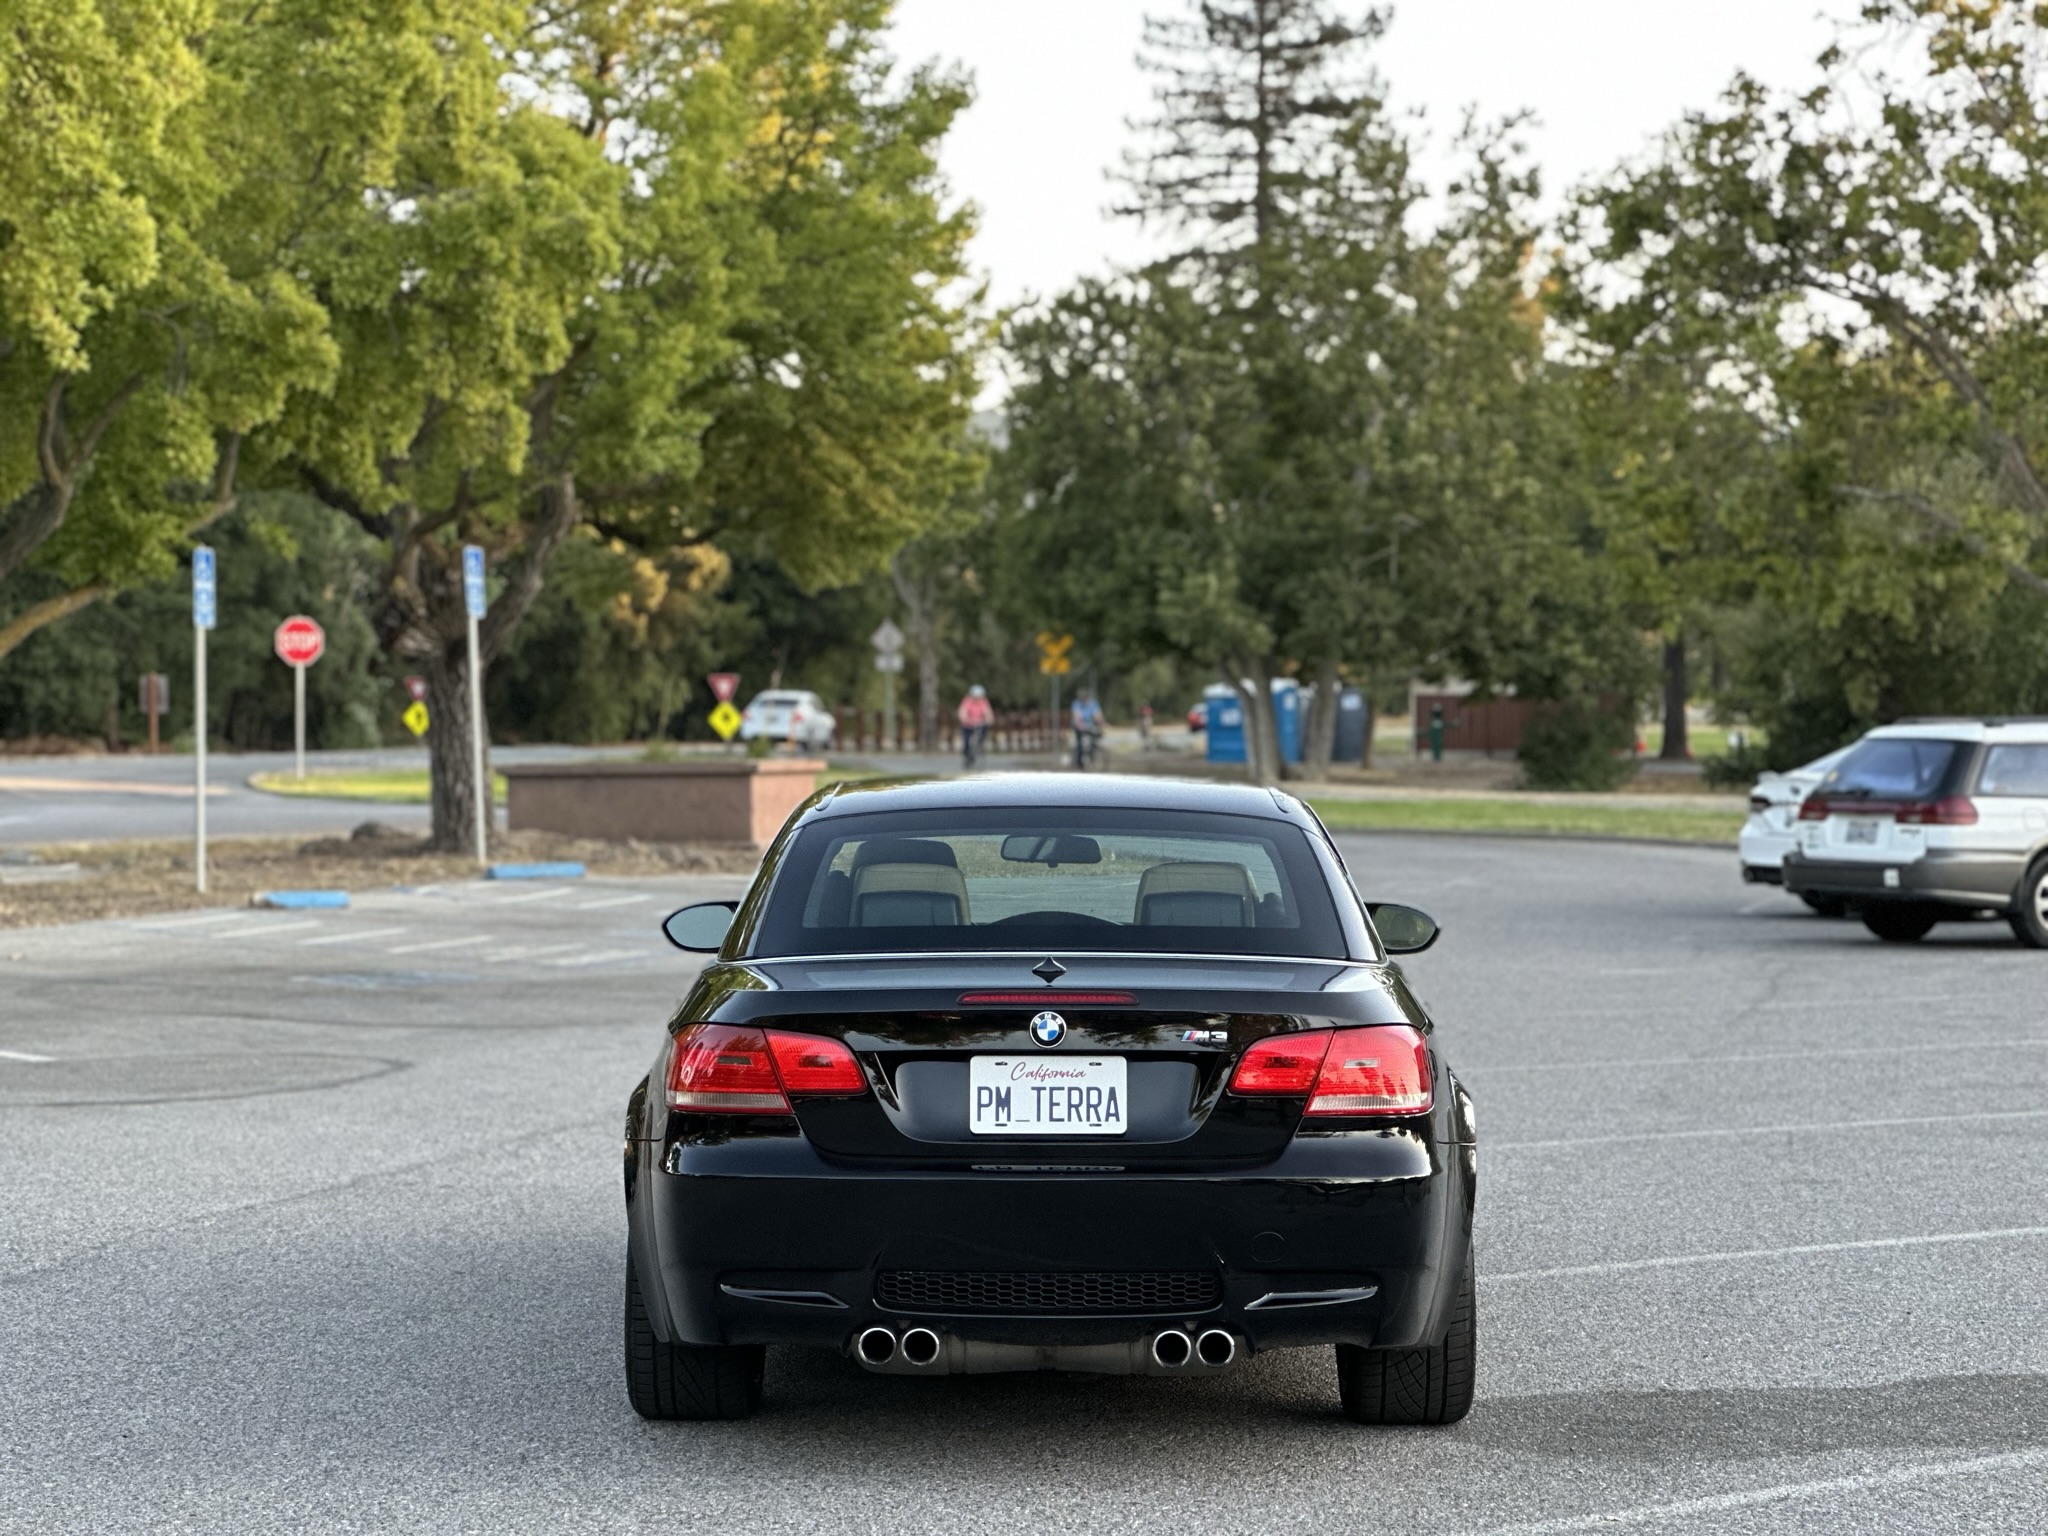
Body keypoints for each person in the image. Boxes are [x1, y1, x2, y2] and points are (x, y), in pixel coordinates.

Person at [958, 684, 993, 769]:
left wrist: (988, 720)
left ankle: (979, 749)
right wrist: (965, 719)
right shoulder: (967, 702)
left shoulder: (984, 702)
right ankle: (967, 755)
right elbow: (962, 712)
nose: (977, 699)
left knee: (980, 737)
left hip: (980, 724)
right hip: (968, 725)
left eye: (979, 697)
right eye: (975, 697)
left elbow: (988, 713)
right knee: (966, 741)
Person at [1070, 687, 1105, 769]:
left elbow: (1097, 715)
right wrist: (1080, 723)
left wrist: (1102, 723)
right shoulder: (1077, 703)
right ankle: (1079, 762)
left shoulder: (1093, 703)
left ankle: (1092, 755)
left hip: (1089, 725)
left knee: (1095, 736)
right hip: (1079, 726)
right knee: (1080, 743)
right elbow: (1076, 715)